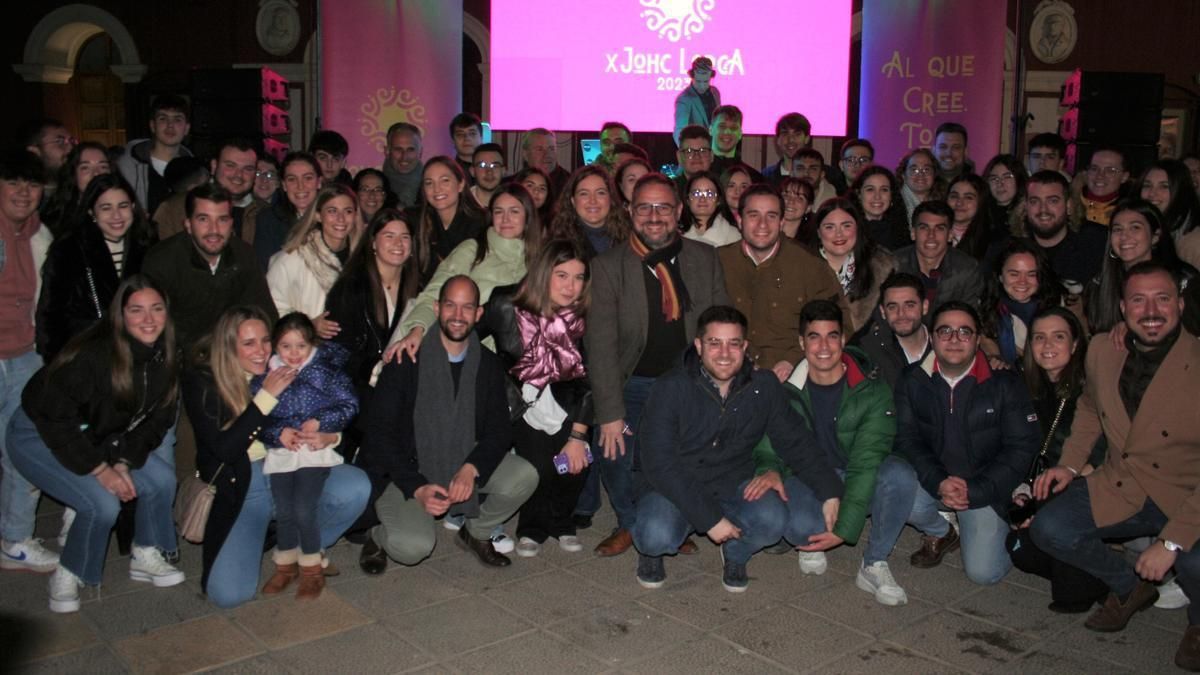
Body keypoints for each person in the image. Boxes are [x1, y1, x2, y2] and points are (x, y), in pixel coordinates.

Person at [1030, 262, 1200, 670]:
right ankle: (1129, 587)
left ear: (1179, 303)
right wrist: (1070, 466)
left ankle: (1198, 624)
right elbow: (1089, 406)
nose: (1151, 310)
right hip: (1123, 483)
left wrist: (1171, 543)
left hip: (1187, 494)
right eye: (1138, 300)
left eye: (1162, 298)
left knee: (1194, 561)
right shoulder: (1105, 349)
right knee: (1049, 528)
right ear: (1123, 308)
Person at [634, 305, 842, 592]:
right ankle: (652, 554)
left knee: (772, 519)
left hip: (732, 480)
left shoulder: (763, 386)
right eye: (714, 343)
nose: (724, 353)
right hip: (677, 482)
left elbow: (796, 441)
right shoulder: (671, 387)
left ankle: (736, 553)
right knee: (654, 534)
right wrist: (710, 520)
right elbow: (659, 462)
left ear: (744, 347)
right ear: (698, 345)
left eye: (733, 343)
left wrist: (829, 489)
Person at [9, 276, 182, 612]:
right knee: (102, 504)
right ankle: (68, 571)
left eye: (156, 309)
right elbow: (55, 419)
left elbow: (156, 421)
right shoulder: (92, 354)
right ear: (120, 315)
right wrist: (100, 470)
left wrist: (124, 463)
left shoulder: (168, 354)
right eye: (137, 310)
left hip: (99, 436)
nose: (148, 319)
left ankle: (145, 552)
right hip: (37, 434)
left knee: (161, 479)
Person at [184, 305, 369, 608]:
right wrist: (264, 398)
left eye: (265, 340)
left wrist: (330, 435)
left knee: (357, 486)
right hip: (246, 485)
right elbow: (225, 450)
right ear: (228, 346)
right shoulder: (204, 381)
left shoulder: (286, 364)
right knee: (229, 595)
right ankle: (276, 540)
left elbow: (323, 407)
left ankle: (304, 549)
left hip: (296, 463)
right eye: (248, 343)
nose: (261, 351)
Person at [586, 172, 729, 557]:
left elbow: (721, 325)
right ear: (630, 212)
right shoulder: (608, 266)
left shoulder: (704, 258)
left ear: (678, 211)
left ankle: (671, 520)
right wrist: (610, 412)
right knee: (615, 451)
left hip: (687, 383)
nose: (653, 216)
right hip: (631, 380)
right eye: (644, 207)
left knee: (680, 456)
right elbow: (599, 343)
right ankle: (629, 523)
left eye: (663, 207)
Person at [357, 276, 538, 570]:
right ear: (437, 308)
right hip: (408, 470)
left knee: (525, 475)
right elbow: (380, 436)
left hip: (461, 458)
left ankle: (476, 533)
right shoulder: (406, 361)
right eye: (450, 305)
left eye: (467, 308)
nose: (457, 315)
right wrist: (417, 487)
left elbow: (499, 430)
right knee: (412, 548)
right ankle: (377, 534)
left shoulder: (488, 364)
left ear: (478, 315)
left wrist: (472, 467)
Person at [753, 300, 915, 606]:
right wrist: (769, 468)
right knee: (800, 528)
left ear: (843, 339)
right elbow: (767, 444)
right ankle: (811, 541)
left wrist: (845, 529)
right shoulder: (786, 390)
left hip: (858, 472)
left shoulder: (872, 389)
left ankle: (874, 562)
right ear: (801, 342)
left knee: (900, 475)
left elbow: (867, 464)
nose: (823, 346)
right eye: (814, 336)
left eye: (832, 336)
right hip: (808, 478)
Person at [896, 301, 1040, 585]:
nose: (954, 339)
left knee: (984, 573)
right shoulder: (913, 380)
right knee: (894, 490)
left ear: (977, 339)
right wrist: (938, 481)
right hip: (934, 480)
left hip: (984, 487)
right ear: (933, 337)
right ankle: (944, 530)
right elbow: (906, 437)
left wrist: (975, 490)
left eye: (964, 331)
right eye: (945, 331)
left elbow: (1022, 446)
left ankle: (1005, 531)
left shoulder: (1004, 384)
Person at [480, 240, 593, 557]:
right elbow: (467, 337)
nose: (571, 286)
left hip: (570, 402)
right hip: (523, 401)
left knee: (575, 467)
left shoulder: (584, 317)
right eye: (562, 275)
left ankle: (562, 523)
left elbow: (592, 382)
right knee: (540, 468)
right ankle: (532, 527)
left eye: (578, 277)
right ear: (544, 273)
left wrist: (577, 436)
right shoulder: (506, 304)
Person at [1004, 307, 1108, 613]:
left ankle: (1091, 583)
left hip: (1089, 479)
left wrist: (1056, 489)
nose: (1047, 345)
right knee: (1020, 550)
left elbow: (1106, 449)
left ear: (1076, 344)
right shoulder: (1027, 384)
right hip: (1039, 481)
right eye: (1039, 337)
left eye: (1058, 337)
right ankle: (1093, 572)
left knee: (1048, 523)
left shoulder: (1093, 385)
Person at [252, 313, 358, 600]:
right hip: (282, 453)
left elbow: (349, 404)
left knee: (303, 507)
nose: (294, 354)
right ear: (275, 346)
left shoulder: (324, 371)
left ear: (311, 344)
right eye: (286, 346)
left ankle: (312, 568)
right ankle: (285, 566)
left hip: (313, 453)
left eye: (300, 346)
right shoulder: (268, 375)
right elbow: (257, 421)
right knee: (283, 509)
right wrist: (278, 434)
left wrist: (321, 423)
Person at [390, 183, 541, 360]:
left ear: (527, 216)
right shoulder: (472, 251)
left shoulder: (540, 260)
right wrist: (417, 330)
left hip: (528, 362)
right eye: (499, 211)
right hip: (471, 354)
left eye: (514, 211)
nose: (505, 218)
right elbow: (434, 294)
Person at [719, 185, 847, 382]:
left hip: (793, 375)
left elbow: (838, 326)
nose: (762, 224)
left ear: (781, 222)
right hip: (727, 371)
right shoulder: (718, 262)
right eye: (753, 215)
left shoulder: (810, 266)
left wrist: (794, 359)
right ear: (739, 220)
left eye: (771, 216)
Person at [0, 150, 58, 574]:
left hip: (25, 355)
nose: (23, 192)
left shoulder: (42, 237)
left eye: (31, 184)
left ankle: (16, 537)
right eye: (13, 182)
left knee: (22, 447)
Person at [142, 183, 276, 352]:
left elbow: (264, 313)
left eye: (222, 219)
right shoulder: (162, 260)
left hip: (232, 354)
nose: (214, 229)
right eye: (203, 219)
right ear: (188, 225)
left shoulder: (243, 254)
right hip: (179, 360)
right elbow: (152, 326)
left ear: (231, 224)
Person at [36, 174, 153, 361]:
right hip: (87, 355)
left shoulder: (148, 245)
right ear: (92, 212)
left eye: (123, 206)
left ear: (133, 207)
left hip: (139, 352)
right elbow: (51, 312)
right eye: (106, 208)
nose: (116, 215)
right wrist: (56, 360)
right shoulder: (70, 249)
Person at [1084, 199, 1200, 336]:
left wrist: (1135, 329)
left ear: (1155, 236)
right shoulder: (1099, 284)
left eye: (1135, 227)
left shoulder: (1184, 280)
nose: (1124, 236)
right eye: (1117, 229)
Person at [266, 184, 360, 333]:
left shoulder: (362, 259)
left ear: (355, 215)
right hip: (306, 349)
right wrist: (309, 325)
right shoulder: (291, 259)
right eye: (332, 211)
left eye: (348, 211)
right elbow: (271, 308)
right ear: (318, 215)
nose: (341, 218)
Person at [811, 197, 897, 336]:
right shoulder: (801, 268)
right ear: (819, 232)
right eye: (830, 227)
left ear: (857, 228)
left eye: (846, 226)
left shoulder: (880, 269)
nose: (839, 234)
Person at [977, 239, 1063, 367]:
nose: (1022, 282)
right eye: (1014, 274)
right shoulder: (985, 308)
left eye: (1031, 274)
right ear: (1000, 276)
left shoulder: (1061, 307)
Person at [155, 139, 261, 242]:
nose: (238, 175)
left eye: (248, 169)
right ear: (214, 166)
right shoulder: (175, 209)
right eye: (230, 166)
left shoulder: (265, 212)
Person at [1024, 170, 1108, 293]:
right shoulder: (1010, 250)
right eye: (1034, 201)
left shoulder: (1095, 243)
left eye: (1052, 201)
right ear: (1026, 207)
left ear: (1069, 206)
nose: (1043, 209)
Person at [894, 201, 983, 311]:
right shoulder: (893, 265)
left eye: (939, 228)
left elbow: (970, 315)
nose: (931, 235)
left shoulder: (967, 269)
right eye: (924, 228)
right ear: (913, 233)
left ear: (950, 235)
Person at [412, 156, 486, 282]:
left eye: (445, 181)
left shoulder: (482, 221)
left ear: (461, 184)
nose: (437, 189)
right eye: (429, 183)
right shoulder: (415, 221)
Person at [854, 272, 933, 387]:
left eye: (909, 305)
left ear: (924, 307)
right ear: (882, 312)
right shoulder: (868, 351)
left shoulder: (946, 345)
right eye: (892, 307)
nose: (901, 314)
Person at [116, 96, 191, 216]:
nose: (170, 125)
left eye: (177, 119)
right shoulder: (127, 167)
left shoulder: (195, 171)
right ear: (152, 125)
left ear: (186, 128)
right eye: (163, 118)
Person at [247, 152, 322, 270]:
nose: (300, 186)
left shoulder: (332, 217)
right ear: (284, 185)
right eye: (292, 179)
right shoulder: (269, 220)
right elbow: (264, 269)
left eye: (308, 178)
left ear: (319, 182)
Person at [549, 165, 628, 259]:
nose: (593, 201)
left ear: (610, 198)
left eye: (600, 193)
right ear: (573, 201)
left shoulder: (629, 236)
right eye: (584, 194)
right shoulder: (558, 242)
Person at [39, 141, 111, 237]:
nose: (96, 173)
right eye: (85, 167)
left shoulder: (125, 213)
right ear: (73, 174)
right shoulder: (56, 219)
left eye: (103, 167)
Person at [1140, 159, 1200, 269]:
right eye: (1147, 185)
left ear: (1181, 191)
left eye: (1164, 186)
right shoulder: (1149, 228)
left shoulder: (1192, 241)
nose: (1152, 193)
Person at [851, 166, 909, 252]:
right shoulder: (847, 231)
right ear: (858, 194)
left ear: (891, 195)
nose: (877, 196)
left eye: (884, 190)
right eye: (870, 189)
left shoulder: (901, 231)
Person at [681, 172, 740, 247]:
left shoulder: (733, 236)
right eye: (696, 193)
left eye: (709, 194)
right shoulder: (679, 235)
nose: (702, 199)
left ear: (718, 200)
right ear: (687, 200)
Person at [673, 57, 721, 146]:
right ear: (692, 77)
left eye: (706, 81)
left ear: (711, 77)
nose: (702, 86)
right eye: (698, 81)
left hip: (715, 149)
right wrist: (687, 152)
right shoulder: (684, 99)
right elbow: (679, 130)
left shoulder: (715, 93)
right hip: (698, 151)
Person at [983, 154, 1028, 247]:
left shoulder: (1028, 215)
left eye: (1007, 177)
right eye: (994, 178)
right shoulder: (981, 213)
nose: (1000, 183)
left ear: (1019, 180)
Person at [1079, 147, 1130, 228]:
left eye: (1110, 170)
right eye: (1094, 169)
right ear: (1086, 173)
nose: (1100, 175)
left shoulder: (1130, 214)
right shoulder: (1066, 205)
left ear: (1124, 177)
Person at [946, 174, 992, 261]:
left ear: (981, 202)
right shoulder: (933, 233)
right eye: (954, 196)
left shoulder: (992, 243)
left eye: (968, 198)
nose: (959, 203)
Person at [762, 113, 811, 186]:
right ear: (778, 140)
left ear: (807, 138)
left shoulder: (826, 175)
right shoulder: (766, 176)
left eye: (797, 134)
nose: (791, 140)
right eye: (785, 134)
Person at [382, 122, 423, 209]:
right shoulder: (376, 190)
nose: (404, 157)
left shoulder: (433, 190)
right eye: (398, 149)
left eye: (410, 149)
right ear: (387, 151)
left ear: (420, 152)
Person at [897, 148, 941, 222]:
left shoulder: (940, 205)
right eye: (914, 170)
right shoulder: (894, 204)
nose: (920, 174)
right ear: (903, 175)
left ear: (934, 175)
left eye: (926, 169)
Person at [520, 128, 569, 194]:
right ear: (525, 154)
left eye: (551, 149)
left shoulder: (570, 184)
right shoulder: (513, 185)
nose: (547, 155)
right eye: (540, 149)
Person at [468, 143, 506, 209]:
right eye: (482, 166)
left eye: (494, 166)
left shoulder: (513, 203)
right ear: (472, 171)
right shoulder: (460, 205)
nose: (489, 171)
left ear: (503, 171)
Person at [708, 105, 743, 176]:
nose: (727, 132)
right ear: (710, 130)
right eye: (722, 126)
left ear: (740, 134)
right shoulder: (696, 172)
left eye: (733, 128)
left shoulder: (752, 177)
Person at [779, 176, 814, 243]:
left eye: (799, 198)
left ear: (808, 208)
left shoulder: (811, 243)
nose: (791, 201)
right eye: (786, 195)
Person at [449, 112, 484, 179]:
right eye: (460, 134)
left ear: (481, 138)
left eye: (472, 133)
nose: (467, 138)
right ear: (453, 141)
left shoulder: (491, 170)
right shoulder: (449, 172)